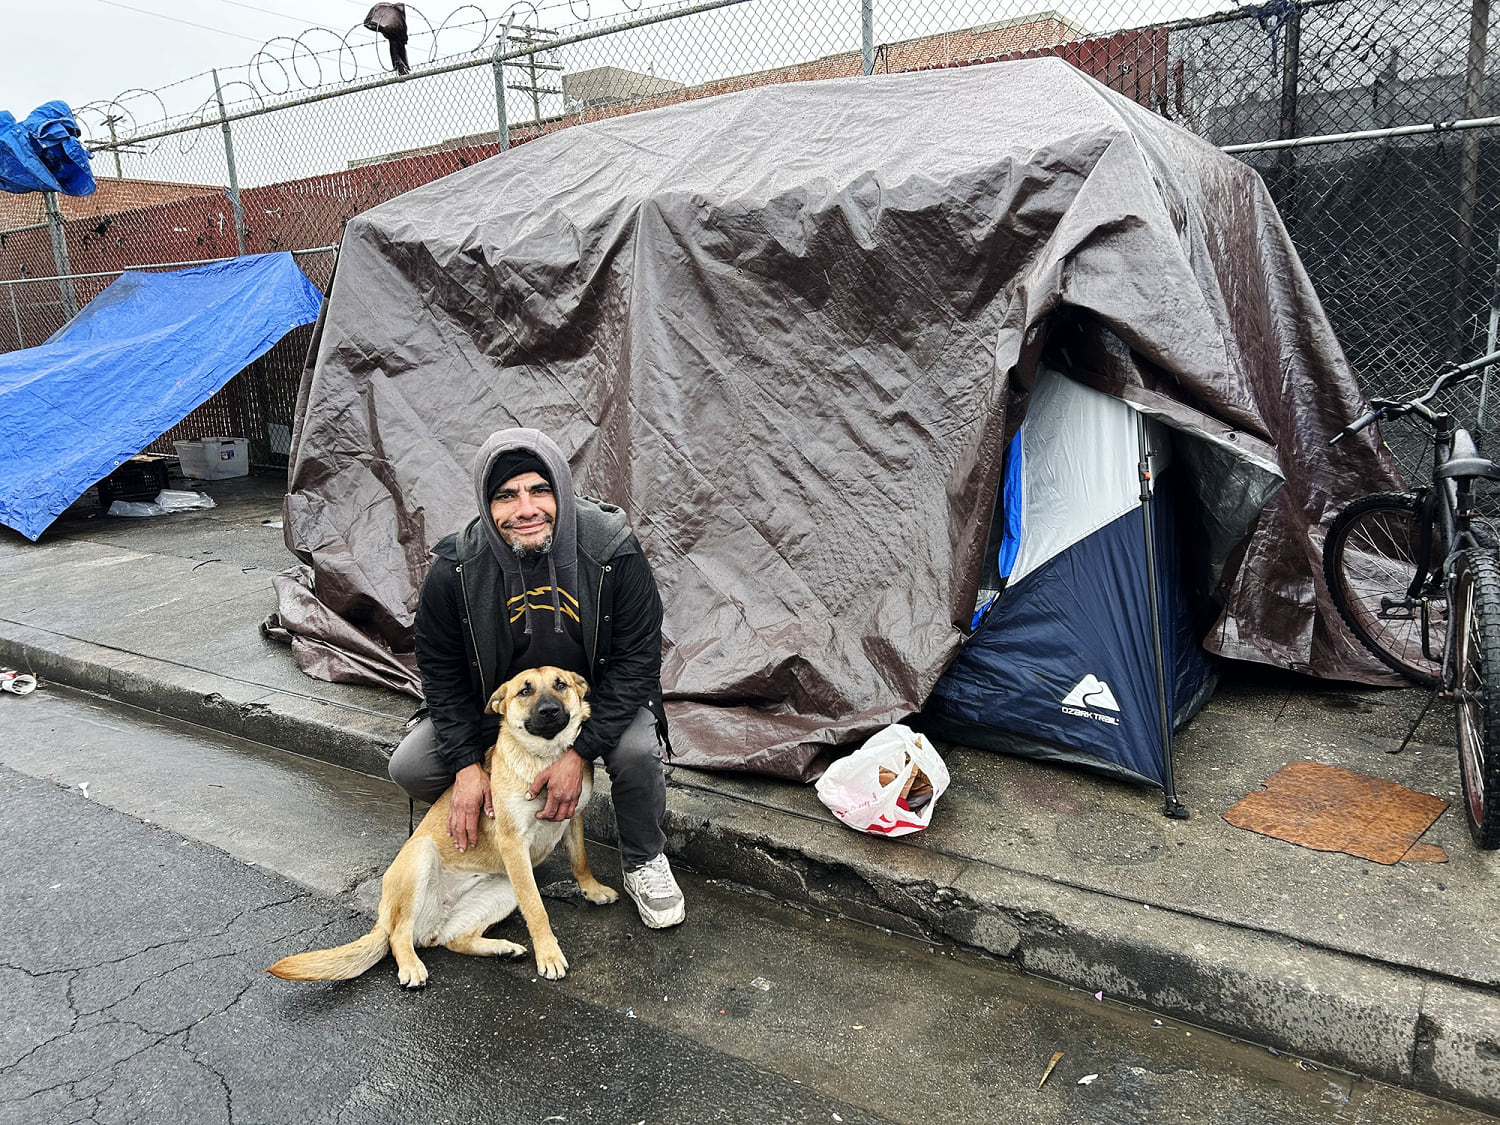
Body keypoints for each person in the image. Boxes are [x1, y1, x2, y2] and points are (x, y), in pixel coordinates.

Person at [388, 427, 685, 928]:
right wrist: (465, 764)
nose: (525, 509)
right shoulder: (455, 569)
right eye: (506, 496)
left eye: (539, 490)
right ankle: (504, 833)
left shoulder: (613, 551)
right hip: (499, 707)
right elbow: (440, 671)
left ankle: (643, 858)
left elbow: (638, 662)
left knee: (635, 751)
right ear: (487, 505)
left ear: (561, 493)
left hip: (591, 702)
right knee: (412, 766)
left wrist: (579, 752)